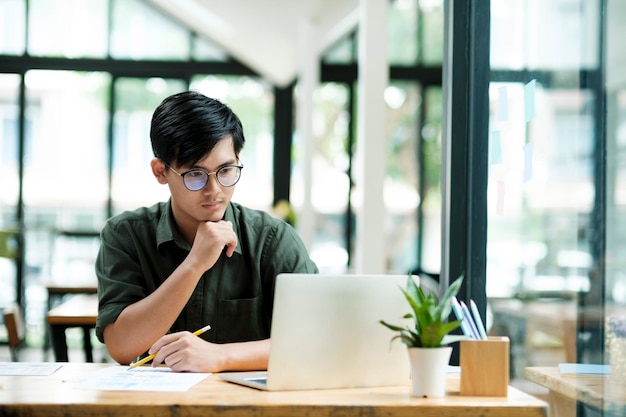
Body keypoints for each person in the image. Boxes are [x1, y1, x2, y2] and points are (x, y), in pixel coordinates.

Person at [95, 90, 318, 373]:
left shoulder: (273, 239)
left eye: (226, 170)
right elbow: (122, 347)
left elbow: (312, 341)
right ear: (160, 171)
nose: (214, 191)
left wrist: (219, 357)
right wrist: (194, 264)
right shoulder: (125, 235)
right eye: (195, 174)